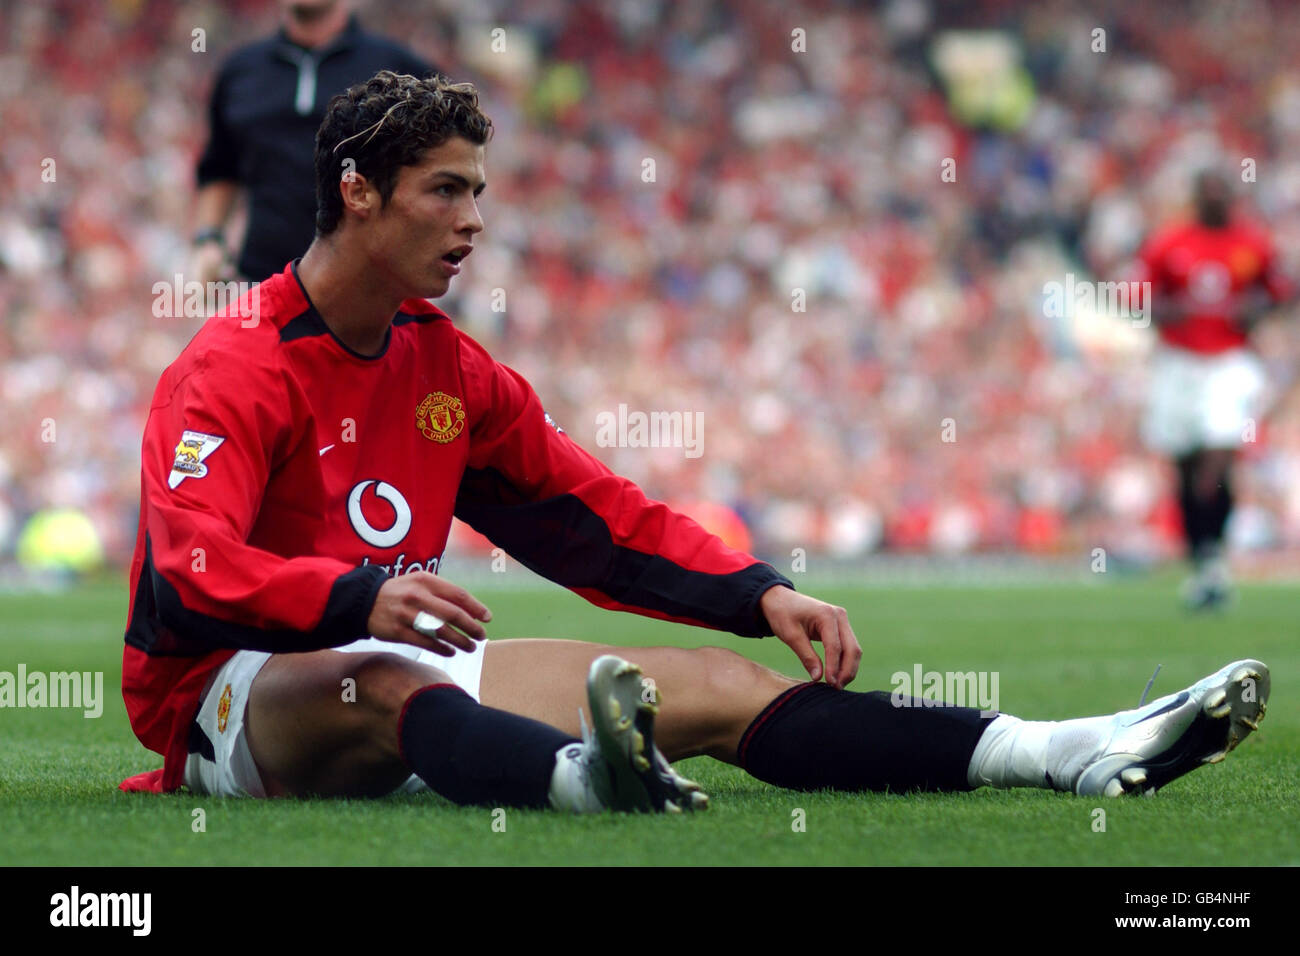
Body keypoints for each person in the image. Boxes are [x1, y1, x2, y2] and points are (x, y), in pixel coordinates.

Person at [121, 72, 1269, 811]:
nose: (475, 221)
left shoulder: (447, 366)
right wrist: (356, 597)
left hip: (393, 663)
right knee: (379, 677)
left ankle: (1059, 747)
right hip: (221, 696)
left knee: (713, 686)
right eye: (445, 191)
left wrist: (756, 592)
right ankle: (582, 783)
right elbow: (189, 571)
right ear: (359, 194)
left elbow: (598, 522)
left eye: (480, 191)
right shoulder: (235, 362)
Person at [1133, 170, 1293, 609]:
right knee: (1184, 461)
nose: (1218, 201)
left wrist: (1255, 310)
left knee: (1220, 451)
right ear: (1198, 198)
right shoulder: (1169, 242)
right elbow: (1138, 295)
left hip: (1229, 360)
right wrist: (1166, 310)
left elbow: (1279, 291)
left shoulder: (1252, 243)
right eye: (1210, 193)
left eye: (1224, 193)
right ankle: (1202, 560)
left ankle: (1215, 557)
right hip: (1178, 360)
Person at [191, 0, 434, 285]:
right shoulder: (240, 71)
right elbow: (221, 167)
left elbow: (435, 169)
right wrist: (209, 239)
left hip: (370, 290)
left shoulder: (400, 72)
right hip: (263, 282)